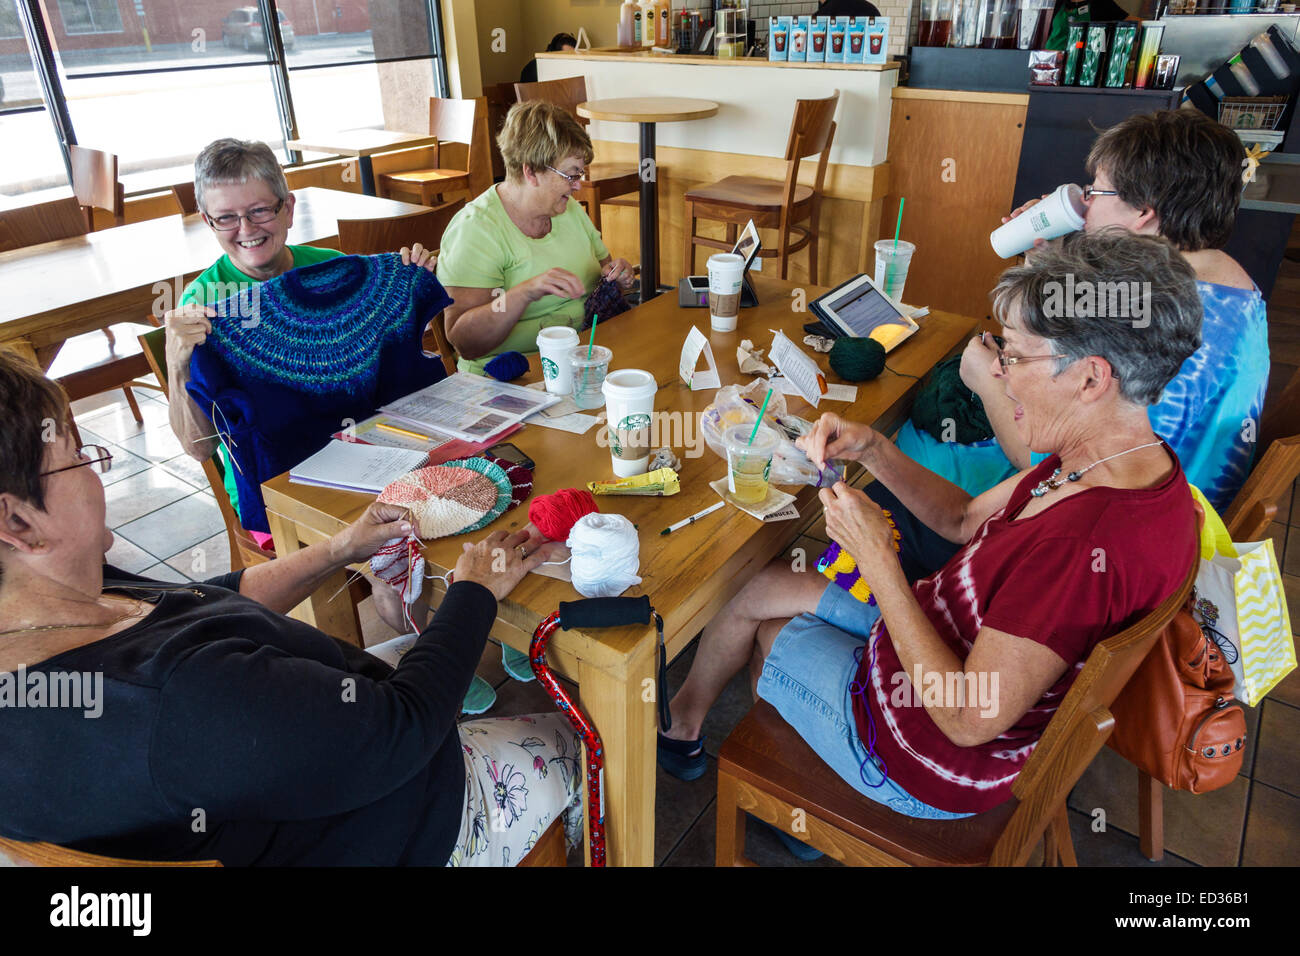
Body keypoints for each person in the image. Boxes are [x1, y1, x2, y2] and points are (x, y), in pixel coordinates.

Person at [659, 232, 1200, 853]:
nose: (1001, 375)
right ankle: (685, 722)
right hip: (942, 640)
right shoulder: (1116, 458)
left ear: (1090, 378)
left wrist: (878, 560)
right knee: (757, 583)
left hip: (931, 754)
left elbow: (968, 717)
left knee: (771, 635)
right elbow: (966, 520)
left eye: (1017, 358)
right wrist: (873, 449)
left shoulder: (1079, 548)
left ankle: (809, 820)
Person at [0, 347, 581, 866]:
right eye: (80, 458)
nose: (103, 472)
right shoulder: (172, 701)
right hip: (406, 821)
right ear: (18, 521)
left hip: (335, 731)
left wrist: (338, 549)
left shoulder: (64, 605)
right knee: (587, 736)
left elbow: (208, 603)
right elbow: (401, 729)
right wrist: (473, 592)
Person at [884, 108, 1267, 578]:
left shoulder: (1137, 310)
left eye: (1098, 192)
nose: (1085, 205)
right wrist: (1043, 261)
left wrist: (987, 380)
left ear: (1144, 212)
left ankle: (886, 599)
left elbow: (1047, 464)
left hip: (1107, 548)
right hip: (1174, 527)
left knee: (906, 468)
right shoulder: (1227, 286)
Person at [163, 138, 439, 541]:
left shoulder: (331, 269)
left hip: (369, 458)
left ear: (288, 208)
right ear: (208, 222)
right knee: (405, 535)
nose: (245, 229)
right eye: (226, 218)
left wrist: (410, 282)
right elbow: (198, 449)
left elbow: (391, 369)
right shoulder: (203, 308)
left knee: (458, 498)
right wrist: (177, 365)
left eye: (259, 210)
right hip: (278, 492)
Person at [436, 100, 636, 376]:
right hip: (509, 376)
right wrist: (525, 293)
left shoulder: (568, 209)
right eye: (570, 174)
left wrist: (618, 275)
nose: (578, 185)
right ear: (530, 171)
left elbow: (606, 273)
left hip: (584, 356)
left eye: (579, 174)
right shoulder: (476, 230)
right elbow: (465, 342)